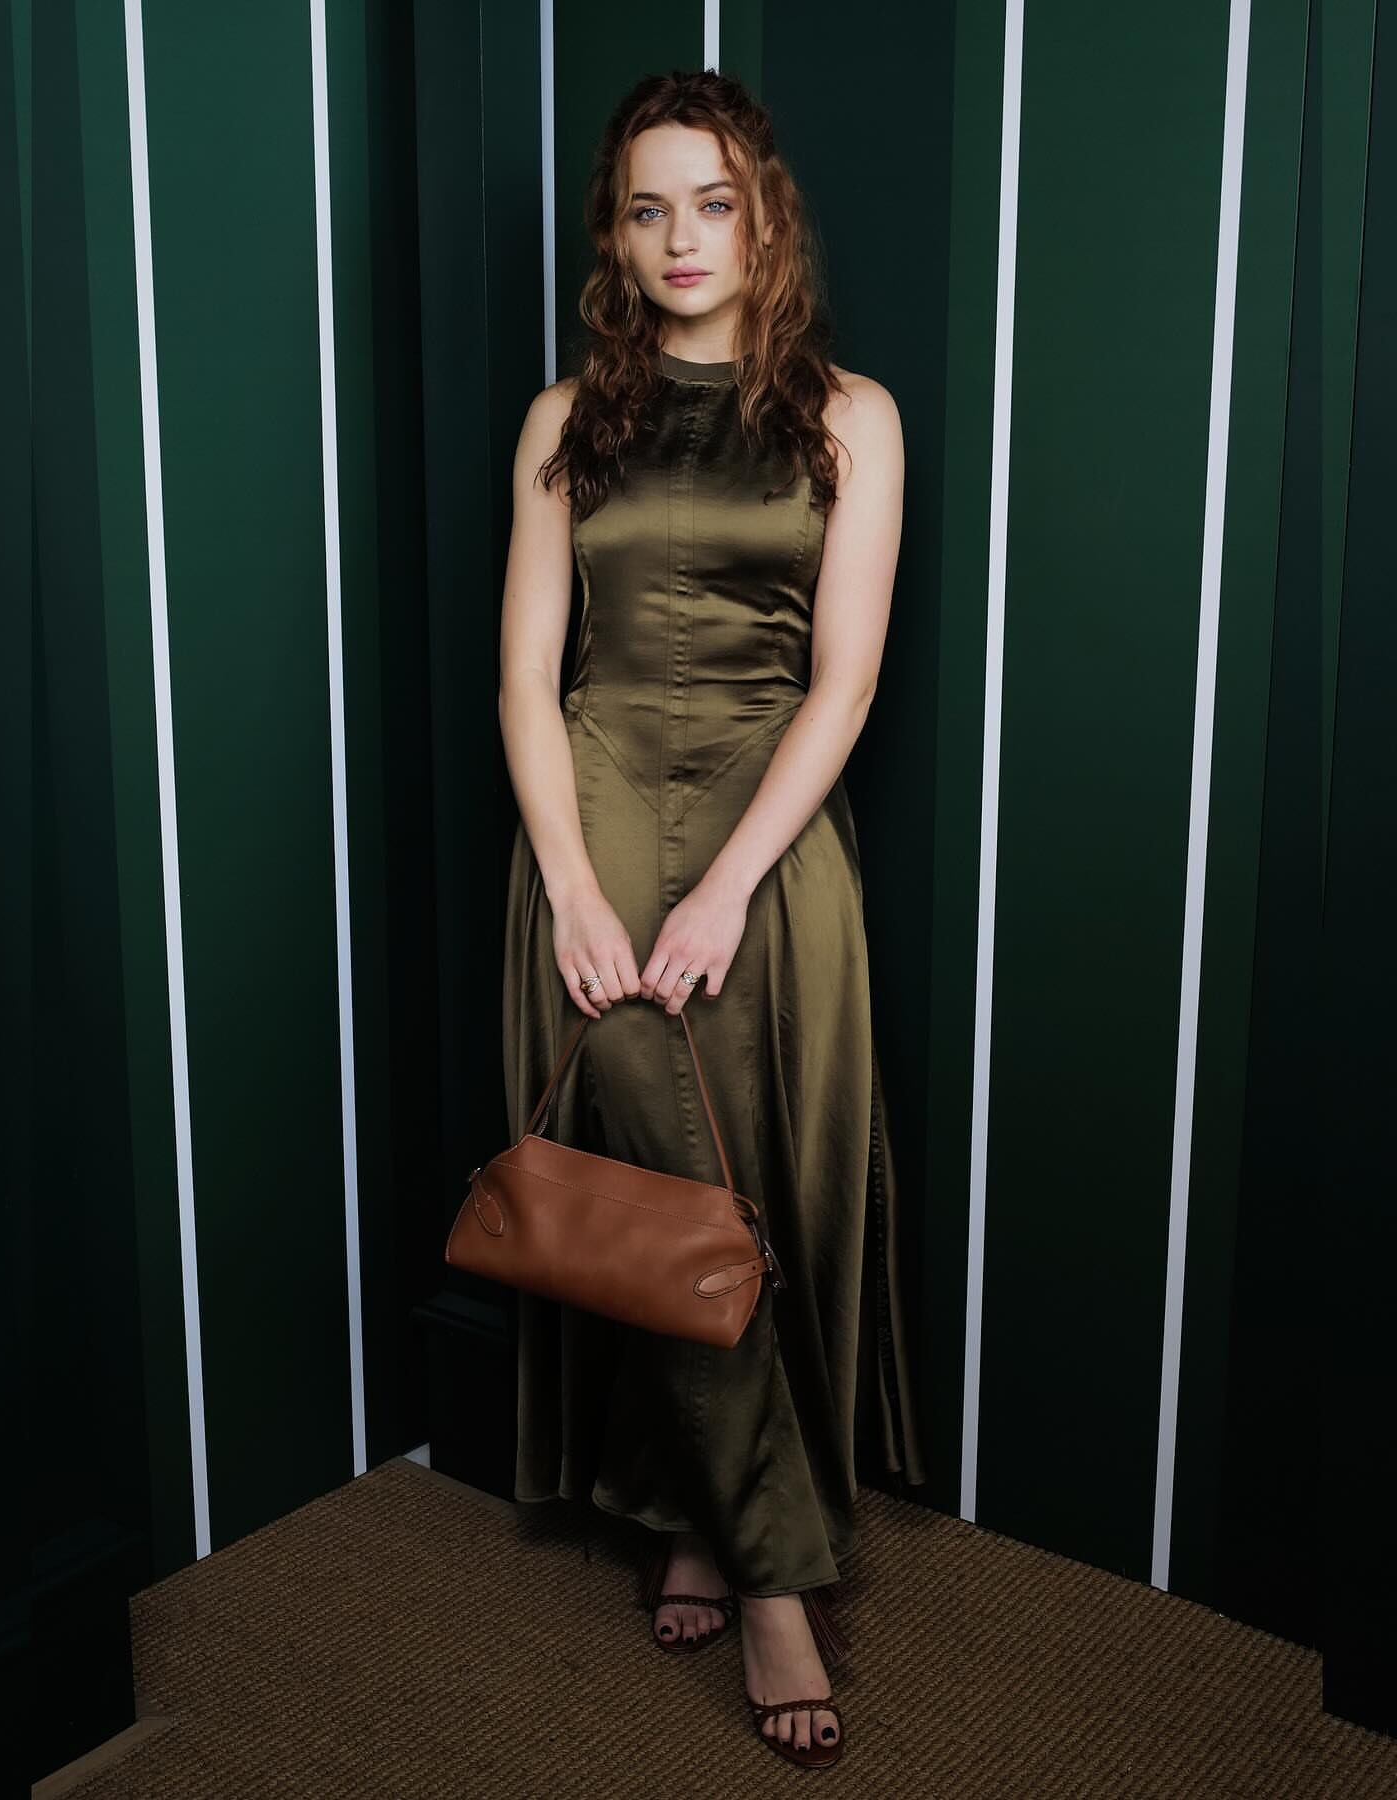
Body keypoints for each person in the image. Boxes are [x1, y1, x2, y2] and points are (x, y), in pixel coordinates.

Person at [495, 68, 923, 1770]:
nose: (683, 237)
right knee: (658, 1179)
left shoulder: (852, 416)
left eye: (715, 202)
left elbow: (846, 679)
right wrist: (572, 884)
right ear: (614, 234)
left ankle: (690, 1512)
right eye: (648, 207)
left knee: (750, 1178)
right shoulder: (562, 420)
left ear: (764, 219)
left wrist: (736, 878)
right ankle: (774, 1576)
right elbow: (530, 681)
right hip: (595, 801)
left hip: (770, 820)